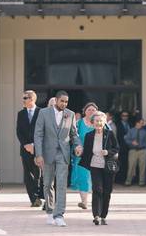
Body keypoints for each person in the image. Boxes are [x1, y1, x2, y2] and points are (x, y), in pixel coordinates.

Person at [34, 90, 81, 227]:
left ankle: (59, 214)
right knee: (48, 183)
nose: (64, 104)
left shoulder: (70, 114)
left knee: (61, 184)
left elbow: (74, 134)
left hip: (63, 153)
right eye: (62, 101)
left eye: (66, 102)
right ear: (56, 100)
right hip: (47, 153)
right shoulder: (43, 113)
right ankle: (49, 211)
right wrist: (39, 154)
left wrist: (78, 145)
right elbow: (38, 135)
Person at [79, 111, 120, 225]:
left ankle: (103, 216)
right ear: (93, 123)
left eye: (101, 121)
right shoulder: (89, 136)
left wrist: (108, 152)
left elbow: (116, 148)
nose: (99, 123)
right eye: (96, 121)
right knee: (97, 189)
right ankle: (96, 215)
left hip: (108, 166)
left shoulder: (110, 134)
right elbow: (86, 151)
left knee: (107, 191)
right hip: (94, 165)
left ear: (104, 122)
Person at [16, 90, 45, 207]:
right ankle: (34, 199)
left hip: (38, 148)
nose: (23, 100)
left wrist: (34, 145)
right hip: (25, 149)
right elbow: (19, 131)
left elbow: (44, 130)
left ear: (32, 99)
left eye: (25, 98)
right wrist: (26, 145)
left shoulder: (41, 112)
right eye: (23, 98)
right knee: (27, 175)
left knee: (38, 173)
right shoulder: (21, 114)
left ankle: (39, 195)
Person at [70, 102, 97, 209]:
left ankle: (95, 200)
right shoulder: (79, 123)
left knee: (95, 179)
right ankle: (84, 202)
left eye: (93, 110)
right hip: (81, 155)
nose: (91, 111)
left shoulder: (100, 122)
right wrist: (76, 147)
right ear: (84, 111)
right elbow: (73, 136)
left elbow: (108, 135)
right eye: (89, 109)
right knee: (83, 178)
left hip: (96, 155)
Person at [124, 115, 146, 186]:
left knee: (142, 167)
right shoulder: (131, 130)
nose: (142, 124)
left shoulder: (144, 132)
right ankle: (128, 181)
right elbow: (126, 140)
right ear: (137, 123)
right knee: (131, 166)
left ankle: (142, 182)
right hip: (133, 150)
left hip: (142, 151)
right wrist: (132, 142)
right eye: (141, 123)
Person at [114, 111, 131, 184]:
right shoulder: (117, 125)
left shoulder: (130, 124)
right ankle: (119, 180)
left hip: (129, 147)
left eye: (126, 115)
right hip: (120, 146)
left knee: (127, 163)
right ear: (121, 116)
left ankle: (125, 179)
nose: (125, 117)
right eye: (123, 115)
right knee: (120, 163)